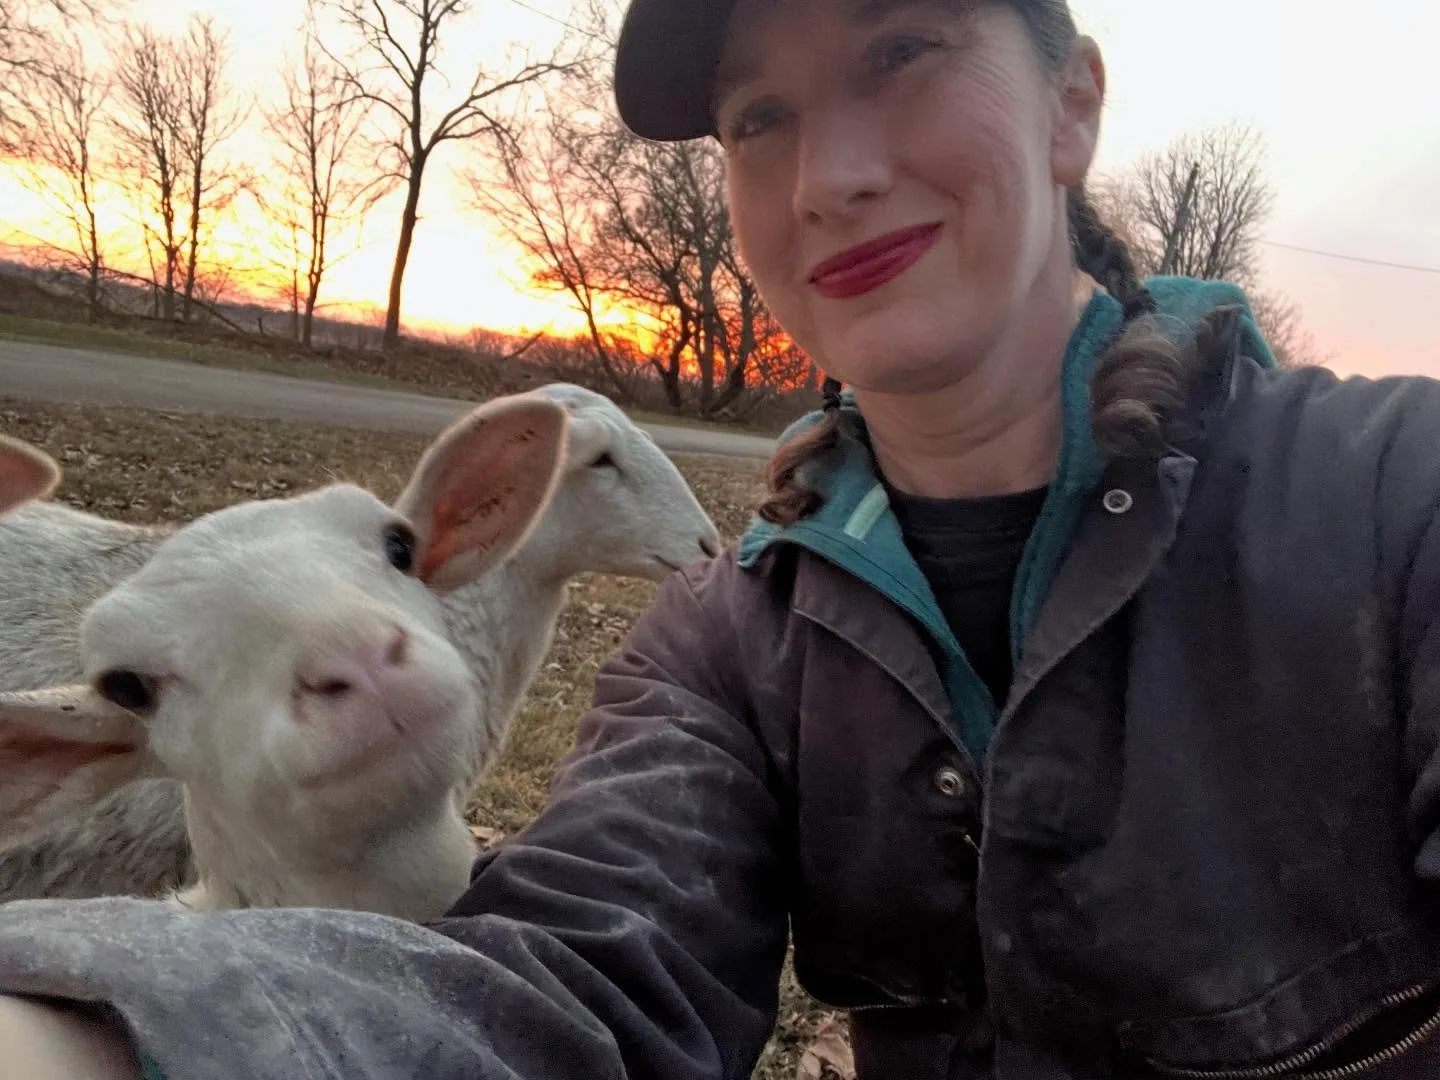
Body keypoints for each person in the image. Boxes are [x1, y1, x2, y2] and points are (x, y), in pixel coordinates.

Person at [2, 0, 1440, 1076]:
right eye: (759, 119)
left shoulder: (1397, 502)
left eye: (902, 50)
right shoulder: (727, 643)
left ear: (1072, 106)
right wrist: (95, 1038)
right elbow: (568, 989)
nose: (830, 177)